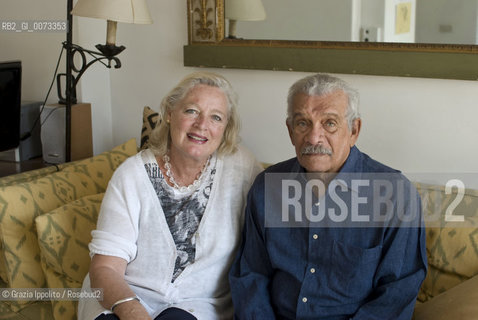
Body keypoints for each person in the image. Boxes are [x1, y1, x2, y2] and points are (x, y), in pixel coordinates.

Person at [229, 73, 427, 319]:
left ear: (354, 130)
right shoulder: (267, 187)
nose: (314, 137)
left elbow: (397, 295)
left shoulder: (396, 194)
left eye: (329, 123)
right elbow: (251, 275)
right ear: (290, 131)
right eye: (303, 123)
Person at [78, 72, 263, 320]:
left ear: (225, 129)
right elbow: (105, 267)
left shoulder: (241, 167)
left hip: (195, 303)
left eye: (216, 117)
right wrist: (132, 309)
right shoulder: (132, 175)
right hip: (120, 294)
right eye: (191, 111)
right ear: (169, 113)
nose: (201, 125)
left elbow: (276, 218)